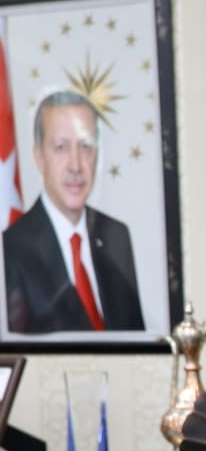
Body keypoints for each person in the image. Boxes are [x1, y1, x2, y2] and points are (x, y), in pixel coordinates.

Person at [3, 90, 144, 334]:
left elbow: (136, 343)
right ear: (39, 157)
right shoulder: (11, 249)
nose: (76, 165)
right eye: (61, 147)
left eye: (86, 146)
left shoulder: (116, 236)